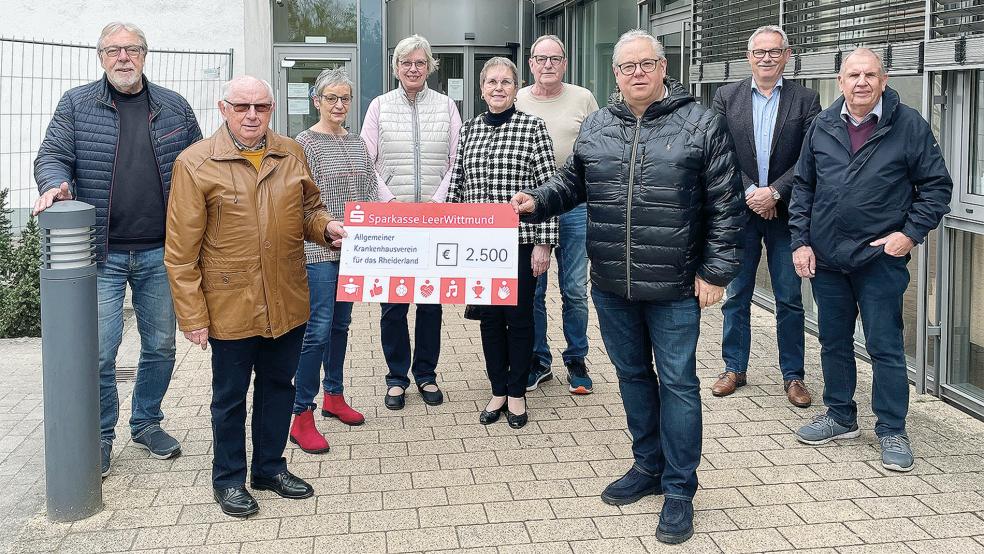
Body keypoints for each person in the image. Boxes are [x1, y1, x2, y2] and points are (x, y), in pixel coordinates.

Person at [511, 30, 744, 544]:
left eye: (647, 64)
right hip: (613, 282)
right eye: (627, 67)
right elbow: (573, 183)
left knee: (679, 383)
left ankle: (681, 489)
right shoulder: (598, 126)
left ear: (663, 68)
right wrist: (537, 200)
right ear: (615, 75)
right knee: (633, 375)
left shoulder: (701, 123)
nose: (637, 73)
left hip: (677, 284)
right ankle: (648, 466)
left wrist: (715, 273)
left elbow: (726, 206)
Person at [164, 75, 345, 518]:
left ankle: (269, 467)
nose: (251, 115)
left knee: (278, 388)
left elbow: (308, 210)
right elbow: (180, 252)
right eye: (241, 106)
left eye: (260, 107)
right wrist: (192, 316)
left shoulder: (290, 152)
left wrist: (326, 229)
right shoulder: (195, 163)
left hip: (285, 295)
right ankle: (227, 478)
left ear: (273, 109)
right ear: (223, 108)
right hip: (229, 303)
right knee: (229, 396)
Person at [33, 21, 202, 478]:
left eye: (131, 49)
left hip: (162, 252)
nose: (122, 58)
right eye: (112, 50)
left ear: (145, 55)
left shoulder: (173, 107)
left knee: (162, 346)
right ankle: (101, 437)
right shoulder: (76, 104)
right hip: (100, 254)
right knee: (101, 352)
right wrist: (54, 184)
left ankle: (146, 422)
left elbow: (201, 167)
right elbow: (50, 155)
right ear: (101, 57)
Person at [789, 48, 952, 472]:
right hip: (827, 259)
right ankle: (841, 416)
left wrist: (909, 234)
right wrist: (800, 242)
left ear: (884, 79)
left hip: (880, 259)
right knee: (834, 341)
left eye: (870, 75)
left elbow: (936, 186)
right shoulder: (822, 125)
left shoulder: (908, 124)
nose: (861, 82)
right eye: (852, 75)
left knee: (884, 346)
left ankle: (892, 428)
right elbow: (804, 187)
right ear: (840, 81)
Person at [711, 25, 821, 407]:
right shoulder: (726, 96)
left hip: (787, 213)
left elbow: (810, 156)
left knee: (789, 297)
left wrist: (774, 192)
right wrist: (751, 193)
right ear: (749, 57)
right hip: (740, 212)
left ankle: (793, 376)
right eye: (759, 52)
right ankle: (733, 368)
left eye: (775, 51)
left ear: (787, 56)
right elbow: (720, 151)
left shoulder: (806, 99)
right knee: (736, 293)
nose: (767, 58)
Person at [448, 57, 558, 430]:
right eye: (491, 82)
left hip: (521, 242)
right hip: (479, 246)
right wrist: (449, 235)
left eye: (506, 82)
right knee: (489, 318)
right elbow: (457, 185)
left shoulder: (532, 128)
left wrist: (544, 243)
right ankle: (497, 388)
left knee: (519, 316)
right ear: (481, 88)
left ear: (516, 88)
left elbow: (548, 189)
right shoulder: (469, 130)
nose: (498, 88)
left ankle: (517, 392)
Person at [361, 34, 462, 410]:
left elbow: (458, 160)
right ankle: (396, 377)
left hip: (435, 221)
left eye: (420, 63)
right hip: (393, 221)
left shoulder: (447, 106)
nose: (414, 69)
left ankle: (426, 374)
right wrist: (390, 203)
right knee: (393, 305)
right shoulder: (379, 107)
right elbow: (364, 160)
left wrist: (438, 202)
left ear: (430, 67)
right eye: (406, 63)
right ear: (396, 68)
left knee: (430, 304)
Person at [288, 68, 376, 455]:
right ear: (316, 101)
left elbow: (370, 192)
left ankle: (334, 396)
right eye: (331, 98)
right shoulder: (302, 144)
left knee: (341, 324)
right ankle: (300, 413)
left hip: (354, 251)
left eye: (345, 99)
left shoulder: (357, 143)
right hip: (318, 250)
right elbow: (297, 200)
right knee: (317, 329)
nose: (339, 105)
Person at [516, 34, 599, 395]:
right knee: (533, 289)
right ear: (531, 64)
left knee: (575, 289)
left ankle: (576, 359)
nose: (547, 64)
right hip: (535, 208)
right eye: (540, 58)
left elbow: (600, 147)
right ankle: (539, 360)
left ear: (564, 63)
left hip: (576, 208)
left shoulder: (582, 98)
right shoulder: (518, 98)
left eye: (555, 58)